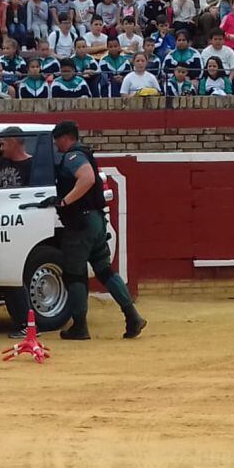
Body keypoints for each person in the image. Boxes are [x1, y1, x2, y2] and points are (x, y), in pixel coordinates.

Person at [44, 121, 146, 340]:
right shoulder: (83, 153)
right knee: (105, 270)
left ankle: (79, 326)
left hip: (80, 224)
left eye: (57, 139)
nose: (56, 144)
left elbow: (88, 178)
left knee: (75, 274)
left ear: (66, 137)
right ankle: (132, 316)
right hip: (97, 220)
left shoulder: (73, 156)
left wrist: (64, 201)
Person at [0, 128, 37, 337]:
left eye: (4, 141)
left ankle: (26, 324)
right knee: (9, 274)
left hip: (20, 224)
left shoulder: (32, 165)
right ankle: (23, 323)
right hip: (1, 223)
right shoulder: (2, 163)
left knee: (14, 274)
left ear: (14, 141)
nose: (0, 145)